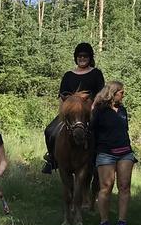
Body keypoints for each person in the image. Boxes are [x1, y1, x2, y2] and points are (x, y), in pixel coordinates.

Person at [42, 42, 105, 174]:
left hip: (90, 111)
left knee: (100, 133)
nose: (82, 58)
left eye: (85, 56)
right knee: (50, 130)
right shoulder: (68, 75)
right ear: (76, 57)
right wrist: (62, 112)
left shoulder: (96, 73)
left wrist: (93, 108)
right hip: (70, 113)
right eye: (80, 56)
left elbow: (100, 94)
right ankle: (52, 159)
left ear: (90, 58)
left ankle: (98, 161)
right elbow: (62, 96)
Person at [92, 82, 137, 225]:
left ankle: (122, 221)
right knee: (106, 187)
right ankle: (104, 221)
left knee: (124, 187)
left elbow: (124, 130)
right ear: (113, 93)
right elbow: (93, 132)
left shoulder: (123, 110)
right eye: (122, 92)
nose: (123, 95)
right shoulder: (99, 111)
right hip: (106, 153)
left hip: (125, 153)